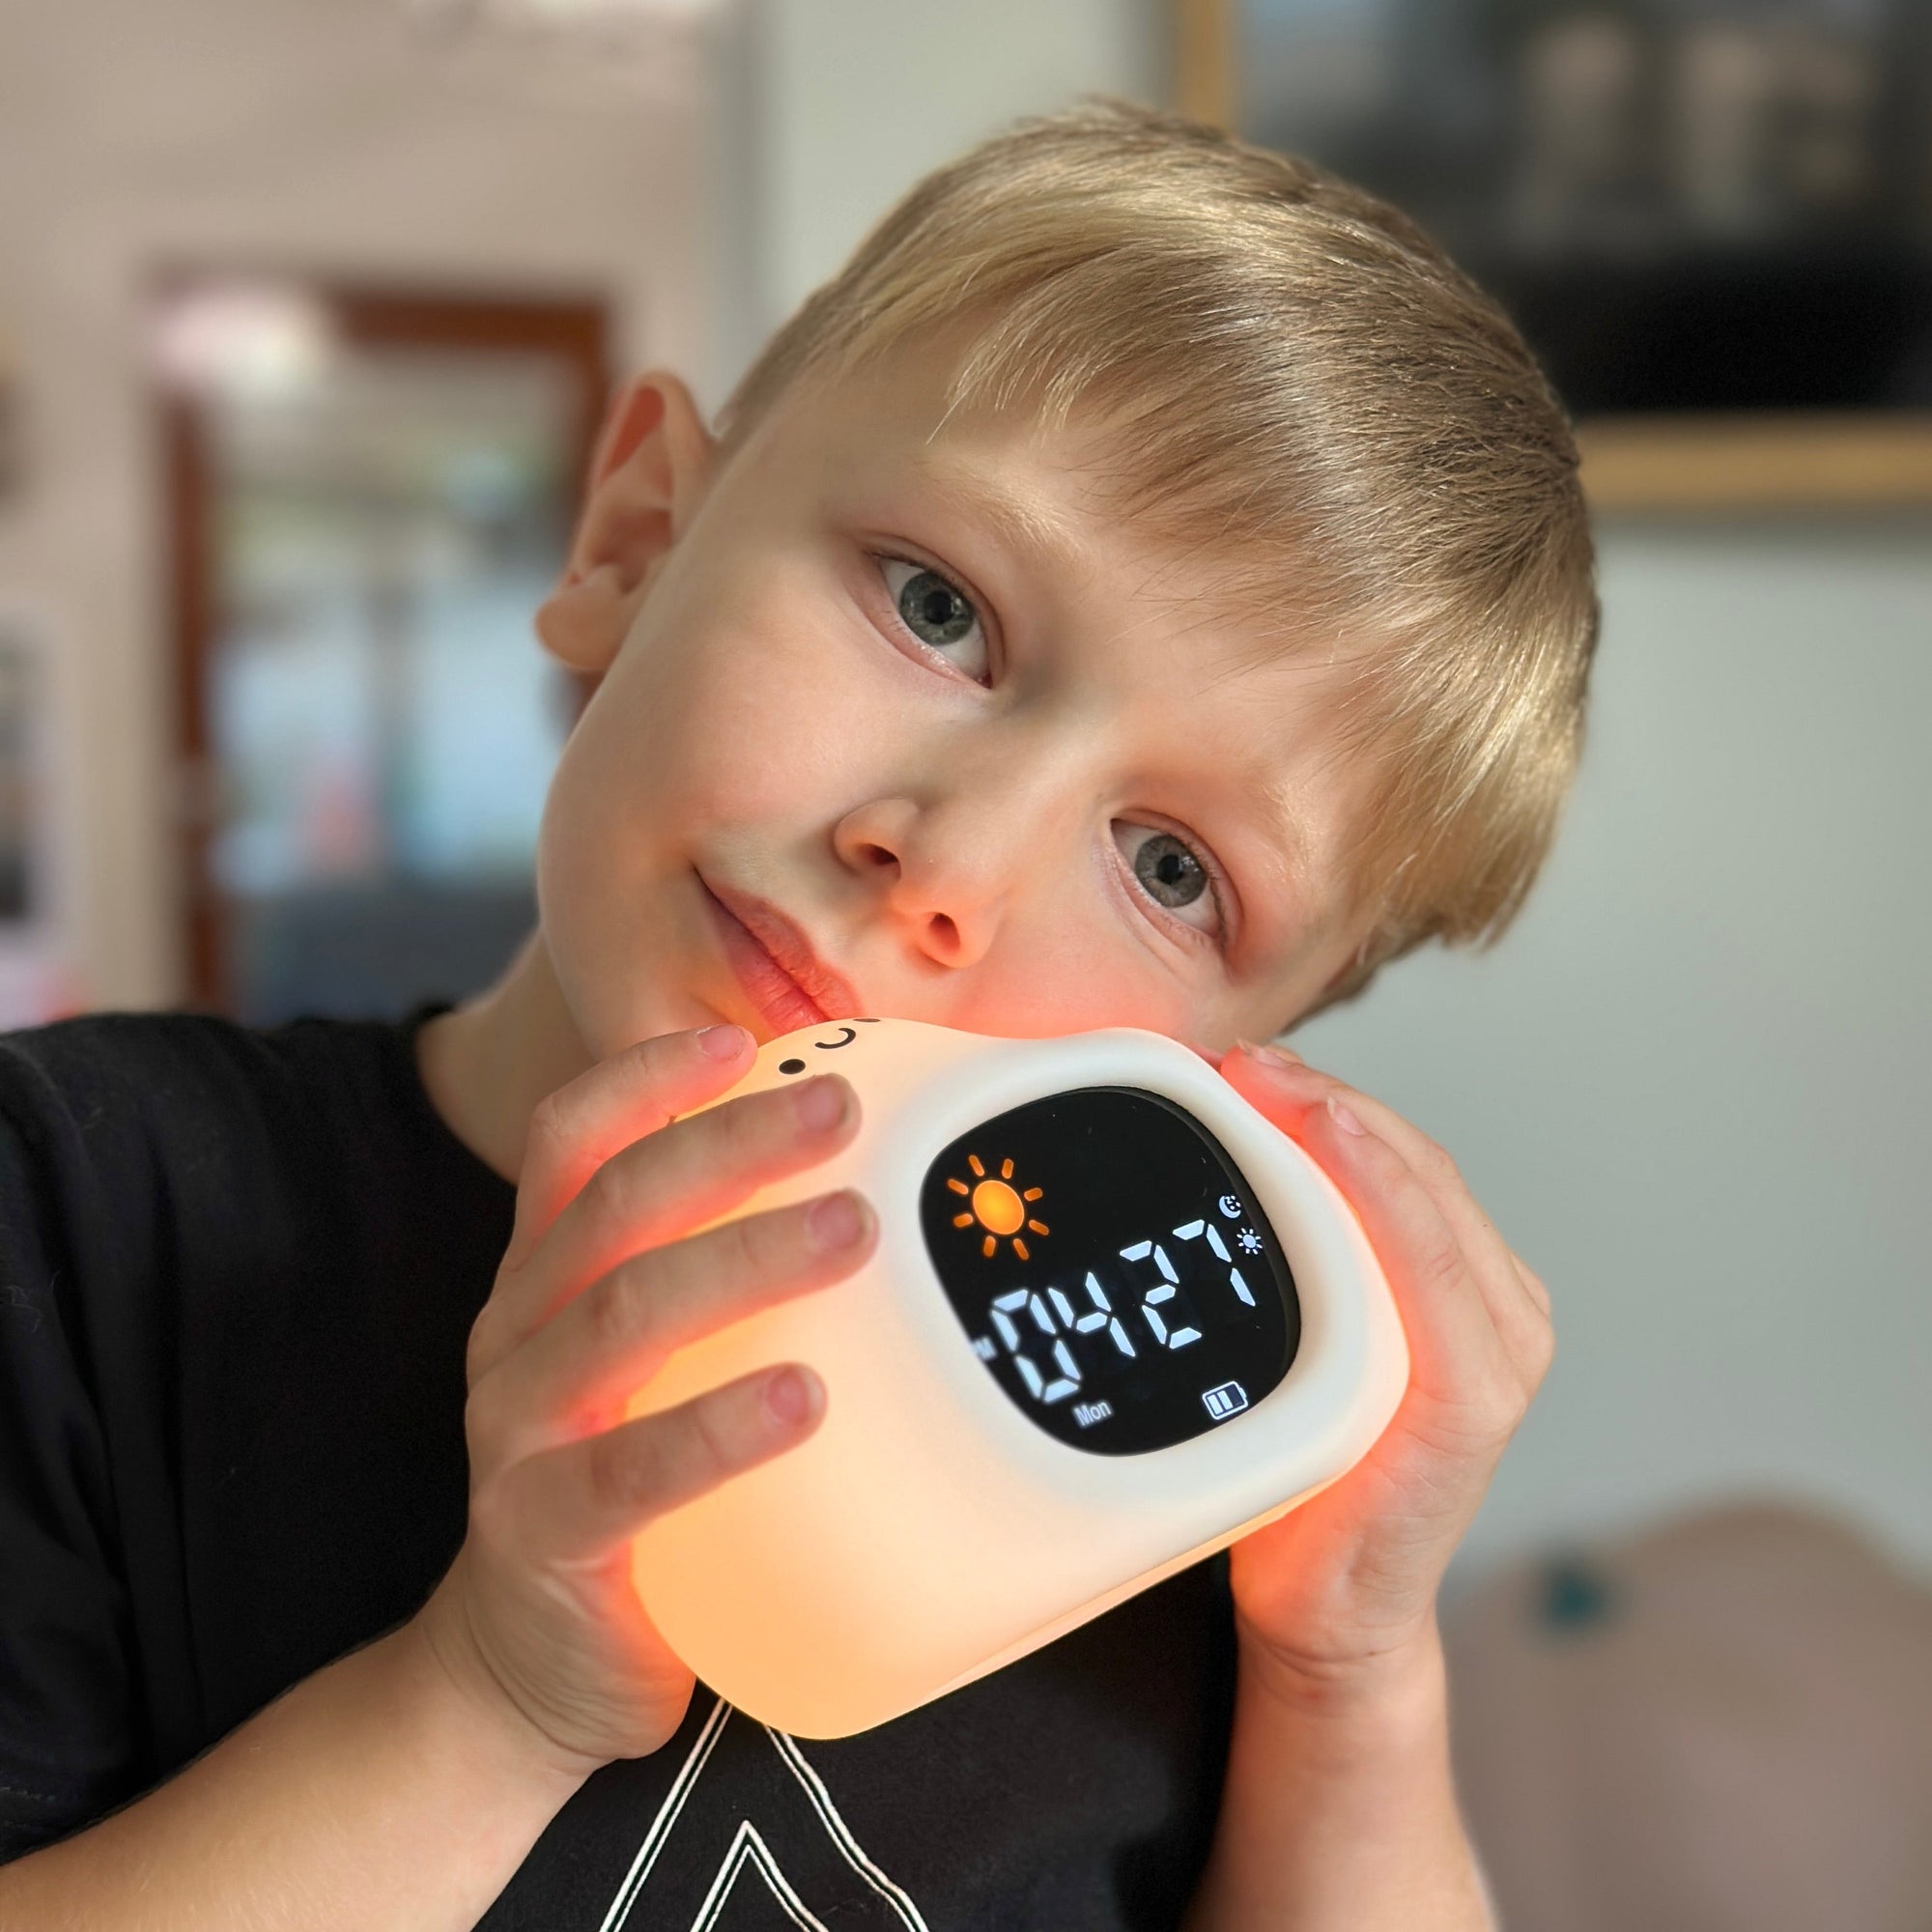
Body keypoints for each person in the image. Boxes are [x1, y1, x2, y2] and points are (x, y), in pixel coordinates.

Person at [0, 97, 1591, 1928]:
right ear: (636, 535)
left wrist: (1353, 1673)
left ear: (1247, 1063)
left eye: (1171, 872)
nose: (949, 867)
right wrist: (491, 1703)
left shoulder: (1184, 1487)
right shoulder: (77, 1213)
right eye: (940, 607)